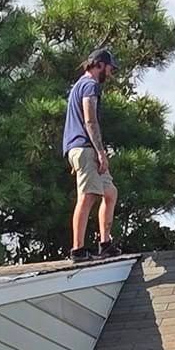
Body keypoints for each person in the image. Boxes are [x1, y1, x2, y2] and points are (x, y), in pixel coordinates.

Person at [62, 48, 119, 261]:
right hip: (85, 148)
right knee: (87, 196)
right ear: (99, 65)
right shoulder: (89, 85)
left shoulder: (79, 85)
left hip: (83, 149)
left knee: (110, 192)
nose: (110, 74)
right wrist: (100, 152)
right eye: (110, 69)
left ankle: (105, 243)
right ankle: (77, 250)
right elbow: (89, 120)